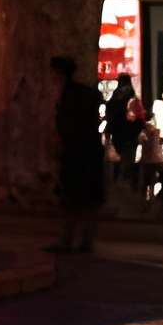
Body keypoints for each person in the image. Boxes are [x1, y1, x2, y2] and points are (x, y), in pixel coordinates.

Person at [51, 54, 107, 254]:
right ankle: (83, 240)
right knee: (85, 199)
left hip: (77, 151)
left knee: (74, 197)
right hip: (87, 150)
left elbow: (69, 125)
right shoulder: (83, 93)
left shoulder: (70, 96)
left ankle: (71, 239)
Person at [105, 76, 147, 205]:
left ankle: (117, 189)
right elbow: (140, 119)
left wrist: (109, 132)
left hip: (118, 136)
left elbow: (110, 116)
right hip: (130, 136)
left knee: (117, 163)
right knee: (128, 162)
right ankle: (128, 190)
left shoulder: (115, 98)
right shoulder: (132, 99)